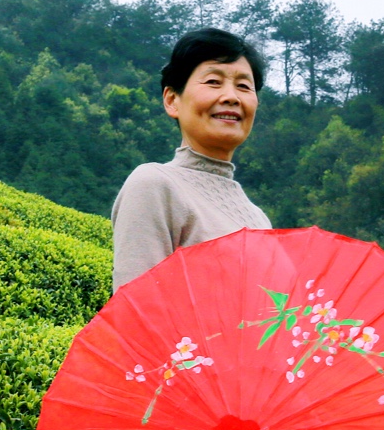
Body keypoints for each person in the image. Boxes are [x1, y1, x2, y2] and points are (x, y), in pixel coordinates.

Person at [110, 28, 273, 292]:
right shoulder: (154, 185)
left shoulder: (258, 218)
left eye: (244, 86)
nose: (232, 96)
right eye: (213, 82)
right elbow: (136, 312)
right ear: (172, 100)